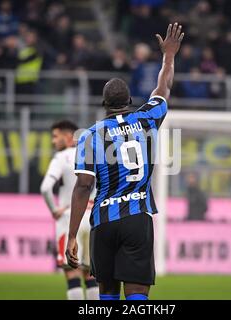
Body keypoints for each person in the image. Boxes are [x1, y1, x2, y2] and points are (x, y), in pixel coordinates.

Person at [65, 23, 184, 300]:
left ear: (104, 104)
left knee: (106, 292)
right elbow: (163, 87)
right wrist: (168, 55)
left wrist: (72, 235)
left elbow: (83, 187)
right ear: (129, 101)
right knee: (137, 294)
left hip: (104, 221)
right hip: (136, 219)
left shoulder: (90, 135)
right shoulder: (146, 118)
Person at [40, 120, 99, 300]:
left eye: (55, 136)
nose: (53, 141)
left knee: (71, 274)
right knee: (91, 275)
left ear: (68, 138)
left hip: (69, 219)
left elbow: (45, 188)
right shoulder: (92, 155)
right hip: (93, 218)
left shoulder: (61, 157)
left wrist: (54, 210)